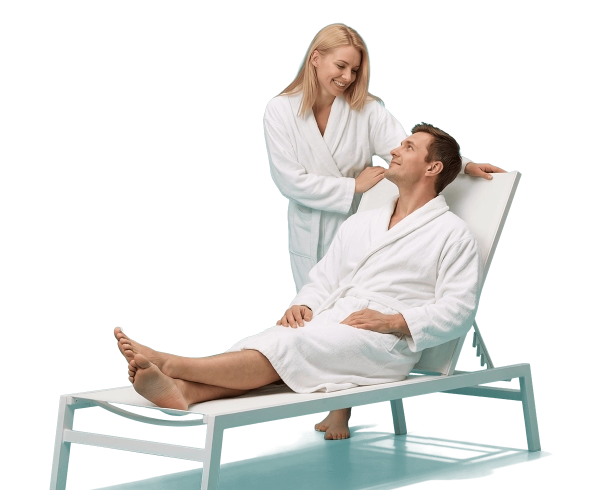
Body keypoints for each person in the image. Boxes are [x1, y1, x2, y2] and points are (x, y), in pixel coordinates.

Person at [114, 124, 483, 435]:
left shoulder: (452, 233)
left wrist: (394, 322)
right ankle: (186, 392)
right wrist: (305, 303)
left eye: (408, 147)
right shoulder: (364, 221)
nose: (395, 150)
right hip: (337, 318)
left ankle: (174, 364)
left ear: (433, 167)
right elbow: (326, 277)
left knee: (294, 347)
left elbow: (459, 309)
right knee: (273, 341)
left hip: (386, 343)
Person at [264, 23, 504, 439]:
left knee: (353, 313)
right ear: (315, 58)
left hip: (364, 222)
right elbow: (290, 179)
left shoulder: (364, 110)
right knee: (314, 311)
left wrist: (464, 165)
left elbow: (412, 147)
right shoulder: (280, 110)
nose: (348, 77)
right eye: (341, 66)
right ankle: (314, 391)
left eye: (355, 70)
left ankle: (337, 410)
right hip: (314, 221)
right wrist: (351, 186)